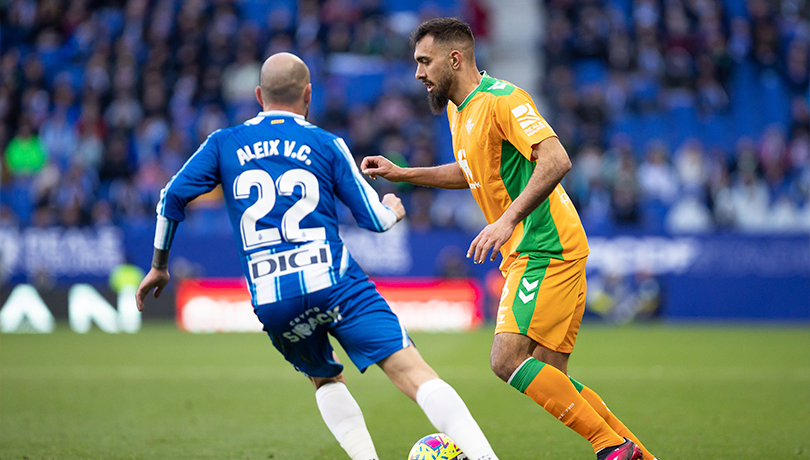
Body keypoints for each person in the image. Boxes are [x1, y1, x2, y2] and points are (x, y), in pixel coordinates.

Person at [136, 52, 499, 460]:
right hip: (332, 280)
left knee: (324, 378)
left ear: (258, 95)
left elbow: (170, 197)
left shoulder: (223, 143)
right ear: (309, 95)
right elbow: (375, 222)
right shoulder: (326, 143)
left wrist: (159, 265)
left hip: (273, 295)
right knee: (411, 372)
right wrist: (395, 208)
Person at [361, 18, 659, 460]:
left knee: (506, 359)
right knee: (550, 375)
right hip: (533, 247)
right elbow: (471, 170)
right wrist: (404, 174)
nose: (419, 74)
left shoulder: (504, 99)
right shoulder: (456, 109)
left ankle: (612, 447)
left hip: (545, 243)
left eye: (424, 62)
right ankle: (635, 454)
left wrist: (507, 220)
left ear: (454, 58)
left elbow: (556, 159)